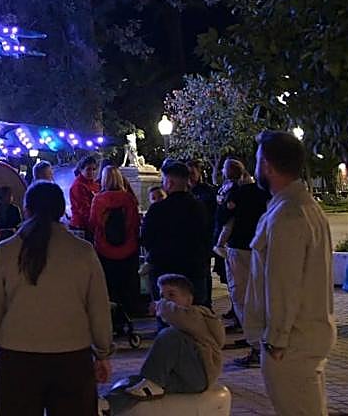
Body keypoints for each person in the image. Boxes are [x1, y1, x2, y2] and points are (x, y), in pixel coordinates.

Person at [0, 181, 112, 415]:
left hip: (17, 359)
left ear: (26, 209)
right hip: (73, 358)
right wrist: (103, 352)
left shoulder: (6, 251)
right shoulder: (82, 252)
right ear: (61, 210)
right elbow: (98, 308)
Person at [245, 130, 335, 416]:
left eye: (258, 160)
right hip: (303, 338)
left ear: (267, 166)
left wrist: (276, 340)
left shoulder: (287, 214)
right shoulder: (306, 207)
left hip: (290, 345)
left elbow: (283, 284)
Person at [116, 273, 225, 400]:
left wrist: (159, 305)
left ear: (189, 299)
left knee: (170, 335)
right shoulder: (181, 324)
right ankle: (107, 406)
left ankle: (152, 382)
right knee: (131, 384)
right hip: (185, 378)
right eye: (162, 296)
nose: (165, 300)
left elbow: (179, 316)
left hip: (201, 376)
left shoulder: (197, 315)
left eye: (172, 295)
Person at [215, 158, 270, 365]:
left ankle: (255, 344)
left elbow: (224, 219)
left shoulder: (234, 193)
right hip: (260, 248)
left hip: (239, 248)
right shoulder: (262, 192)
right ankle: (259, 340)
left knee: (240, 295)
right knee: (259, 294)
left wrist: (219, 242)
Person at [140, 161, 209, 306]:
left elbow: (146, 238)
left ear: (169, 182)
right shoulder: (199, 207)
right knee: (194, 312)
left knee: (166, 312)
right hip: (193, 268)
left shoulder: (158, 209)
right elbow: (206, 236)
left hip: (164, 269)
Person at [90, 166, 141, 319]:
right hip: (128, 248)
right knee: (128, 284)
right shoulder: (128, 198)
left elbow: (93, 223)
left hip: (105, 249)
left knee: (109, 285)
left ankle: (113, 315)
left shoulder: (98, 199)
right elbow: (134, 223)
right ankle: (131, 312)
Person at [187, 159, 218, 313]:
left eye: (192, 173)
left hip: (203, 238)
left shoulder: (207, 192)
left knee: (204, 272)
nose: (190, 177)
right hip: (189, 239)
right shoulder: (185, 192)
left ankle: (206, 305)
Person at [68, 154, 102, 238]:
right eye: (88, 169)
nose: (92, 172)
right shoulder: (78, 186)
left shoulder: (95, 184)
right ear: (81, 169)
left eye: (94, 169)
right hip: (81, 226)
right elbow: (83, 209)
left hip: (91, 224)